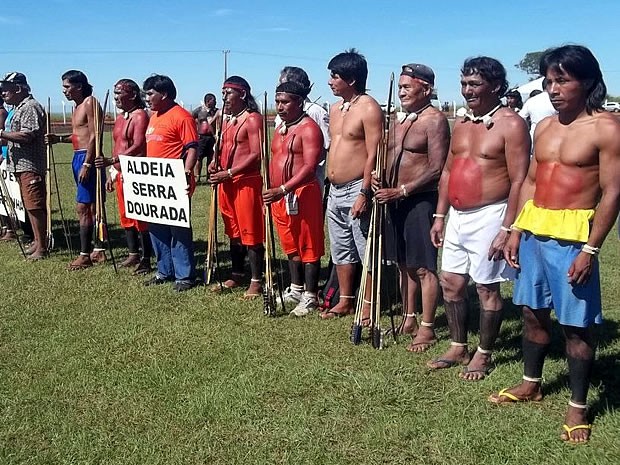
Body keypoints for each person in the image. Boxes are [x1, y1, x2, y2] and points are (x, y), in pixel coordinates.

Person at [489, 45, 620, 444]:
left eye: (563, 80)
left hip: (572, 239)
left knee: (577, 326)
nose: (553, 89)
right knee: (531, 312)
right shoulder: (543, 127)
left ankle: (578, 406)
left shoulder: (607, 128)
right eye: (549, 81)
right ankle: (532, 382)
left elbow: (613, 192)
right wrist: (513, 229)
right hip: (533, 234)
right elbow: (529, 181)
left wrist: (590, 249)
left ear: (588, 82)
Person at [428, 57, 530, 379]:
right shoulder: (461, 123)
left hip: (491, 214)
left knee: (487, 288)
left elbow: (519, 180)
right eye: (464, 84)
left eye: (474, 84)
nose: (466, 90)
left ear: (496, 86)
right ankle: (459, 346)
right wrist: (440, 215)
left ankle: (483, 354)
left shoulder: (511, 124)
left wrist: (507, 228)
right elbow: (446, 172)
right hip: (457, 215)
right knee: (452, 282)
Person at [373, 63, 450, 351]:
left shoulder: (434, 120)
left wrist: (402, 189)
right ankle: (409, 316)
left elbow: (436, 168)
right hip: (392, 200)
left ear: (426, 89)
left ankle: (428, 327)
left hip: (419, 201)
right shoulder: (398, 118)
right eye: (401, 87)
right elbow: (389, 155)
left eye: (408, 87)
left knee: (423, 267)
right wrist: (378, 176)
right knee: (403, 264)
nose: (402, 92)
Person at [320, 49, 383, 320]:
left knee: (364, 246)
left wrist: (365, 192)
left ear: (352, 79)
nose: (330, 81)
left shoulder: (369, 108)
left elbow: (374, 153)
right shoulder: (334, 109)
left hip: (357, 187)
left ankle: (367, 303)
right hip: (333, 190)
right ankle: (346, 299)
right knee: (341, 246)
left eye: (335, 76)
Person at [263, 81, 325, 316]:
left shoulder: (309, 129)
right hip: (279, 195)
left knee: (308, 244)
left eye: (285, 102)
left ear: (299, 102)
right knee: (289, 242)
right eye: (277, 102)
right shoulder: (281, 127)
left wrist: (283, 188)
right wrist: (273, 189)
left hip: (302, 193)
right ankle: (296, 288)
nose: (279, 106)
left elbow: (310, 167)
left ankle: (311, 295)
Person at [208, 76, 264, 298]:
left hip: (246, 183)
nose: (224, 97)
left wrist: (230, 172)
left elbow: (256, 154)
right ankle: (237, 272)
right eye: (222, 93)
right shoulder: (225, 119)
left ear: (242, 94)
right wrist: (214, 161)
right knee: (233, 231)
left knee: (250, 232)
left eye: (229, 93)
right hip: (226, 183)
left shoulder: (252, 119)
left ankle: (256, 280)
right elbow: (220, 145)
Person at [141, 74, 198, 291]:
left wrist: (186, 171)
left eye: (150, 93)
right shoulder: (154, 116)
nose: (147, 97)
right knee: (156, 227)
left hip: (174, 181)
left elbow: (192, 147)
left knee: (178, 229)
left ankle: (185, 276)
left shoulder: (182, 117)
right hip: (153, 182)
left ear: (163, 94)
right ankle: (164, 270)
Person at [46, 70, 105, 270]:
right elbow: (79, 135)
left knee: (84, 207)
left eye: (67, 86)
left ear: (79, 86)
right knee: (92, 206)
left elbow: (95, 134)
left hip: (86, 158)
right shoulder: (77, 106)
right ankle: (98, 249)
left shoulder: (90, 102)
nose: (64, 91)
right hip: (77, 156)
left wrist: (88, 163)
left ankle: (85, 254)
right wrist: (59, 139)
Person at [94, 79, 152, 275]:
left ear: (133, 95)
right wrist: (113, 171)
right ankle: (133, 252)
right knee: (126, 215)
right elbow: (117, 144)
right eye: (115, 93)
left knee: (140, 216)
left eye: (120, 93)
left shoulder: (140, 116)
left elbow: (138, 145)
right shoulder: (120, 118)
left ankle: (146, 257)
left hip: (136, 172)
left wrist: (112, 160)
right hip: (120, 172)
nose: (116, 97)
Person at [0, 73, 47, 260]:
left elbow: (28, 135)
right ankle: (37, 240)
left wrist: (2, 133)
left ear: (18, 88)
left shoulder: (30, 107)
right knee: (29, 205)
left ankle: (42, 246)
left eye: (6, 88)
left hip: (30, 164)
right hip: (19, 165)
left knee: (35, 206)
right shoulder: (19, 107)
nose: (3, 93)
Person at [276, 66, 330, 193]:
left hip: (306, 188)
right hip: (280, 189)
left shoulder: (316, 112)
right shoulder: (281, 112)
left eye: (282, 82)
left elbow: (328, 146)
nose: (279, 86)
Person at [192, 93, 219, 182]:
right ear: (208, 101)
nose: (215, 102)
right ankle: (197, 177)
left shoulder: (216, 111)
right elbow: (191, 118)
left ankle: (209, 176)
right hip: (201, 137)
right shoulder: (199, 110)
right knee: (199, 157)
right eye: (213, 101)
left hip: (212, 137)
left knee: (210, 157)